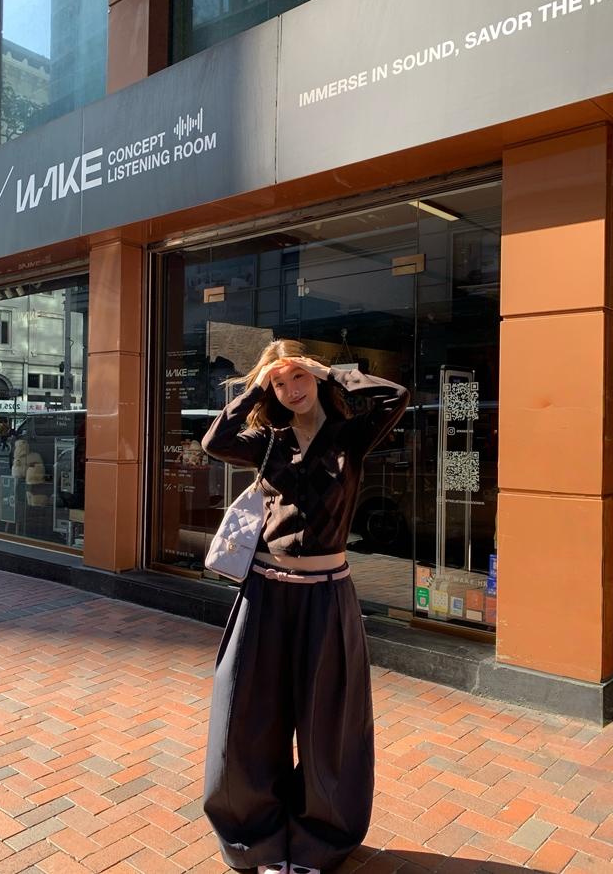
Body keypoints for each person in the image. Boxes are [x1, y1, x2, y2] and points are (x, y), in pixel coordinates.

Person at [201, 339, 409, 874]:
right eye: (279, 383)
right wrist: (254, 388)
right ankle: (258, 841)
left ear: (314, 377)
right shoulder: (266, 441)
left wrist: (334, 371)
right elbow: (214, 440)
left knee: (327, 725)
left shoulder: (351, 436)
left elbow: (395, 396)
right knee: (248, 719)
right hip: (265, 594)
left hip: (326, 595)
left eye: (298, 378)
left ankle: (319, 843)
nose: (291, 389)